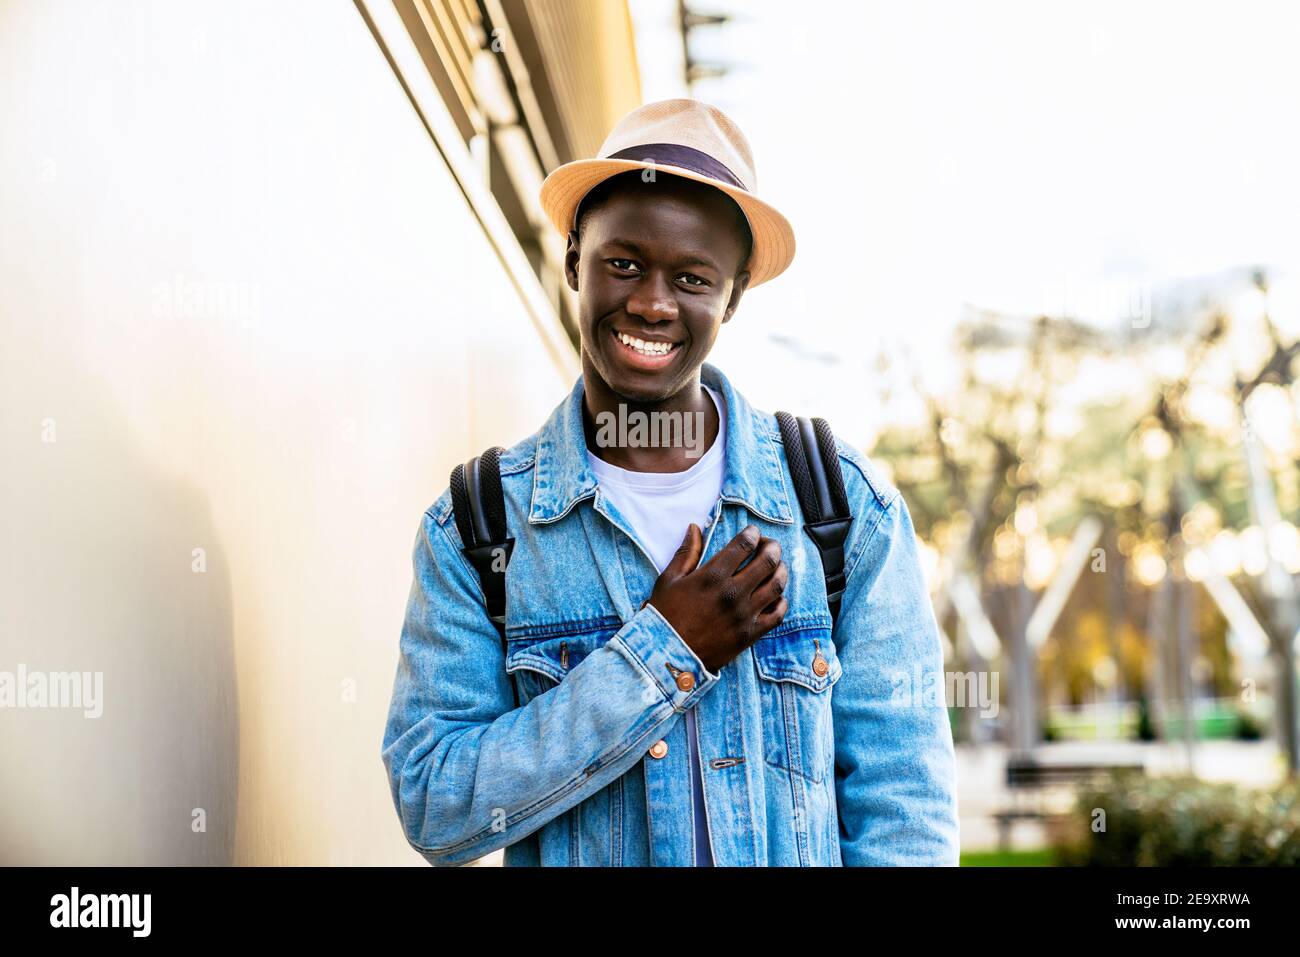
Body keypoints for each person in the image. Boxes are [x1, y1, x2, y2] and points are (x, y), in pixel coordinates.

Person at [382, 98, 959, 866]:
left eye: (691, 277)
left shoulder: (842, 511)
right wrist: (663, 651)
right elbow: (435, 802)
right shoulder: (480, 527)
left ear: (733, 295)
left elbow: (906, 817)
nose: (652, 302)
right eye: (623, 263)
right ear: (572, 261)